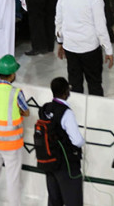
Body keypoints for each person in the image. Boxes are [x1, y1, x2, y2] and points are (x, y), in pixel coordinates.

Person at [55, 0, 114, 95]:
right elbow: (101, 29)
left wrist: (60, 42)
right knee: (94, 84)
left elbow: (59, 20)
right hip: (89, 49)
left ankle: (77, 109)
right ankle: (95, 111)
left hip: (70, 47)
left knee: (74, 84)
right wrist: (108, 50)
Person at [0, 55, 28, 205]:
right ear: (13, 74)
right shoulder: (16, 93)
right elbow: (26, 111)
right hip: (11, 145)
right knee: (13, 181)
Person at [40, 77, 85, 206]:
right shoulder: (66, 113)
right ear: (66, 92)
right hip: (66, 164)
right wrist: (83, 142)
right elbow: (76, 141)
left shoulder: (45, 109)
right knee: (73, 200)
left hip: (49, 161)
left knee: (54, 200)